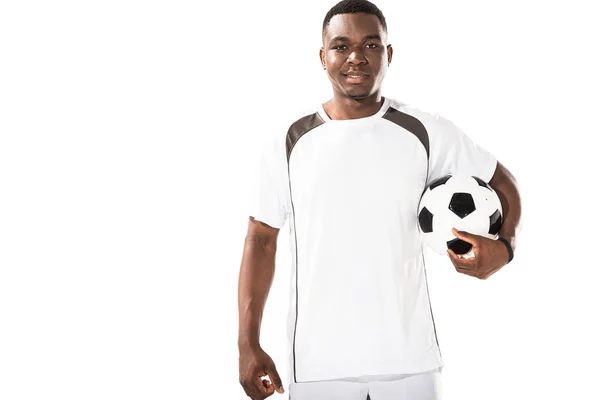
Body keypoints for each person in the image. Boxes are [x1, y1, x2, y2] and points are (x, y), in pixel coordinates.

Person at [237, 0, 522, 399]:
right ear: (323, 56)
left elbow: (504, 183)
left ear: (388, 54)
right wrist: (247, 343)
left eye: (371, 46)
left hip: (410, 362)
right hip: (319, 365)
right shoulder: (289, 141)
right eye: (341, 46)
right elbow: (260, 240)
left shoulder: (426, 131)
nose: (356, 57)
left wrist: (505, 247)